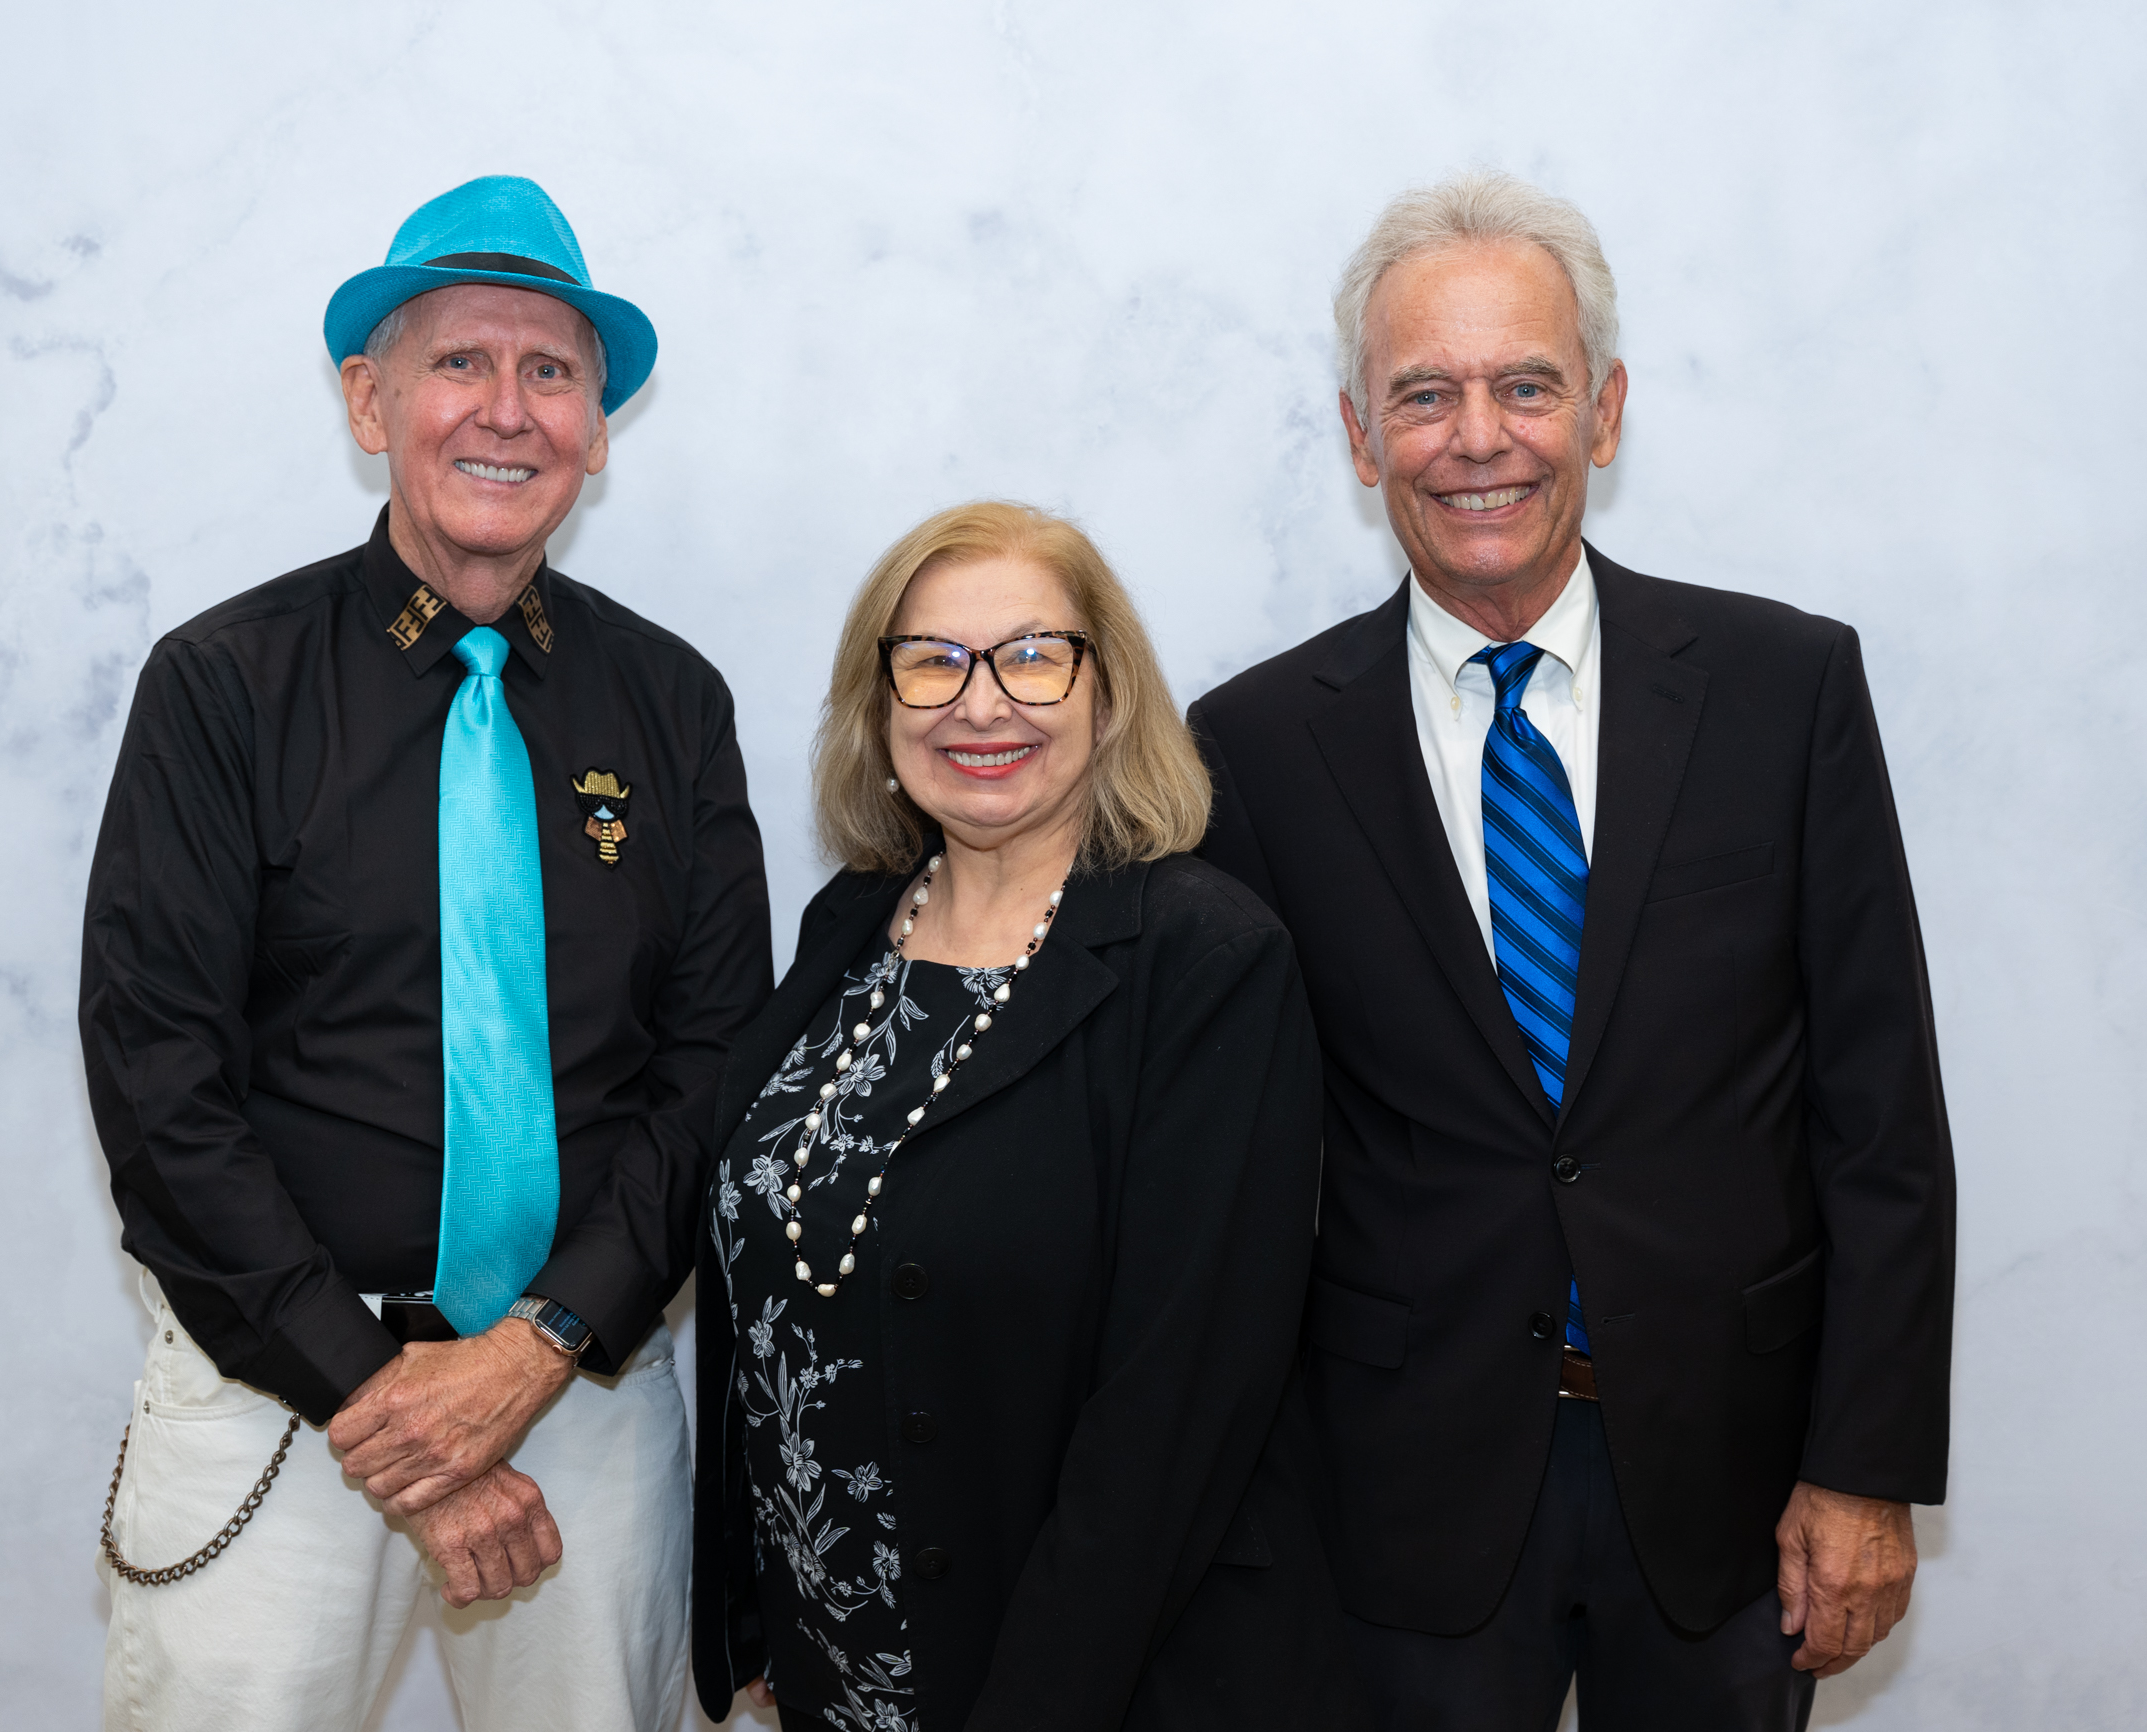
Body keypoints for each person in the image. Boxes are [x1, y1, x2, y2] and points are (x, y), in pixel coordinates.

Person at [1190, 169, 1956, 1731]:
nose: (1478, 438)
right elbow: (1239, 1176)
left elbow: (1879, 1118)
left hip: (1734, 1483)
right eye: (1425, 394)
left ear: (1602, 412)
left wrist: (1863, 1468)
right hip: (1400, 1496)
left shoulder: (1784, 689)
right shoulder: (1252, 750)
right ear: (1359, 437)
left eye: (1525, 386)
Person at [80, 175, 773, 1732]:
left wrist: (539, 1346)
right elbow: (159, 1082)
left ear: (598, 428)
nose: (506, 411)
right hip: (278, 1394)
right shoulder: (222, 687)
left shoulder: (672, 705)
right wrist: (383, 1399)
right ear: (368, 400)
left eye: (552, 372)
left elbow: (716, 1066)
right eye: (460, 361)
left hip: (578, 1393)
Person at [689, 502, 1352, 1731]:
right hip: (834, 1667)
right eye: (931, 660)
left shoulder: (1202, 959)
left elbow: (1175, 1409)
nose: (979, 704)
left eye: (1033, 656)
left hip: (1077, 1679)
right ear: (880, 703)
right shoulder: (851, 922)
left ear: (1109, 695)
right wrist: (763, 1605)